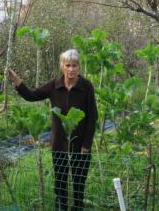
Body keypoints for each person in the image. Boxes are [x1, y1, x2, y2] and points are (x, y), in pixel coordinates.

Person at [9, 49, 98, 211]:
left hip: (80, 145)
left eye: (75, 65)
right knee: (61, 182)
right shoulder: (54, 86)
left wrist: (87, 145)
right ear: (62, 66)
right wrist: (16, 81)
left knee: (79, 183)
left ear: (79, 67)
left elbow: (93, 117)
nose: (71, 69)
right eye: (68, 65)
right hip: (59, 144)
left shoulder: (86, 87)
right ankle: (61, 208)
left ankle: (78, 207)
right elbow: (31, 95)